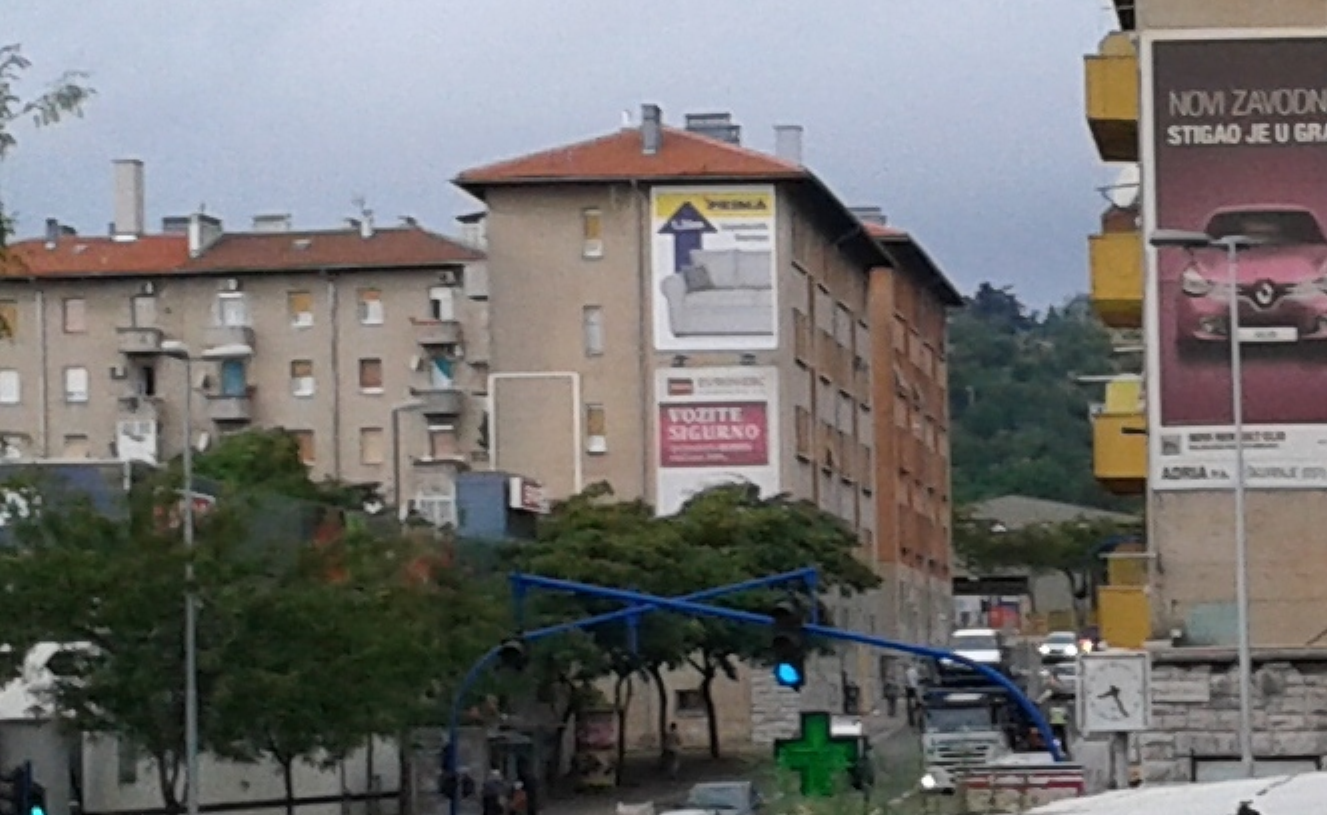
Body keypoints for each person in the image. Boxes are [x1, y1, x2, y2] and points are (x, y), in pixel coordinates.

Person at [904, 662, 922, 728]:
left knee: (910, 706)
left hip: (910, 689)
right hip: (915, 689)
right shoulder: (914, 671)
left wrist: (909, 686)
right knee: (917, 704)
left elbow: (908, 681)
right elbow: (917, 679)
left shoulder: (907, 672)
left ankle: (912, 722)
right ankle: (918, 720)